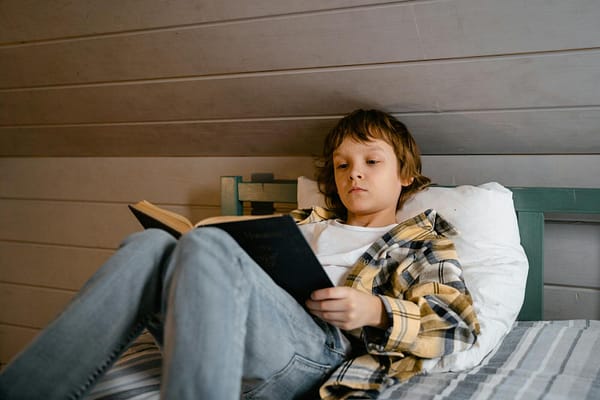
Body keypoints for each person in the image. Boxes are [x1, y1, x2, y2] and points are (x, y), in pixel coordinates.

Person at [0, 109, 479, 400]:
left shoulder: (420, 239)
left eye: (372, 162)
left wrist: (374, 309)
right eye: (342, 165)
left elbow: (458, 329)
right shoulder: (303, 224)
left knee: (208, 242)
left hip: (317, 356)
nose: (354, 174)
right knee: (150, 245)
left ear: (407, 176)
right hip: (233, 330)